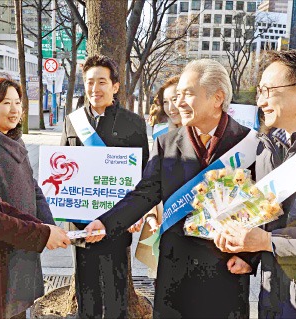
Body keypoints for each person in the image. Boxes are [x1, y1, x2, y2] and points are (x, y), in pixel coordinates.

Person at [85, 59, 258, 318]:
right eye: (177, 96)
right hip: (176, 274)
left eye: (188, 94)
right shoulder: (166, 144)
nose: (178, 103)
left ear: (217, 98)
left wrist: (249, 258)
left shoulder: (250, 144)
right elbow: (145, 193)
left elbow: (265, 205)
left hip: (226, 271)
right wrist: (106, 223)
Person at [0, 72, 70, 319]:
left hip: (24, 240)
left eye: (17, 102)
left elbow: (33, 186)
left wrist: (47, 224)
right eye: (6, 103)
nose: (14, 109)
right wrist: (40, 232)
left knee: (19, 308)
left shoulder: (15, 140)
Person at [61, 54, 149, 319]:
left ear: (115, 86)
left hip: (116, 223)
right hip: (81, 225)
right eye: (89, 82)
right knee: (86, 293)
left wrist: (137, 214)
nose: (94, 89)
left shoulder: (133, 123)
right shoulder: (72, 121)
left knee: (115, 293)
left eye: (101, 82)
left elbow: (144, 175)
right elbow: (63, 168)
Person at [214, 50, 296, 318]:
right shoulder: (268, 148)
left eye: (268, 90)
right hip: (273, 296)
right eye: (259, 91)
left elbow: (268, 237)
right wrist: (248, 253)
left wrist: (265, 241)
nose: (260, 101)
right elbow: (271, 220)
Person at [134, 76, 182, 278]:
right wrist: (151, 216)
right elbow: (151, 181)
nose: (171, 107)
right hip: (162, 221)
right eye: (165, 102)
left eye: (176, 99)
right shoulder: (161, 138)